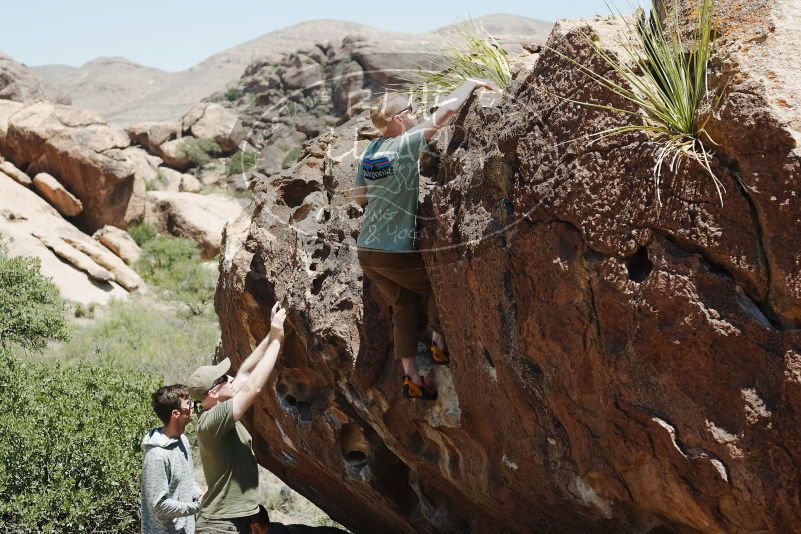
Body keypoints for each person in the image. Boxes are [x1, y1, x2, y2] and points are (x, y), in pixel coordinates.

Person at [353, 79, 497, 401]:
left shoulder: (370, 152)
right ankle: (438, 344)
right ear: (398, 120)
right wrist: (470, 83)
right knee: (434, 286)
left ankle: (412, 379)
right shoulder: (405, 145)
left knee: (403, 303)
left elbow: (359, 199)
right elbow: (446, 111)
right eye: (411, 110)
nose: (417, 113)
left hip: (367, 250)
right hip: (392, 251)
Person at [189, 302, 287, 534]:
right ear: (212, 393)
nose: (231, 377)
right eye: (224, 378)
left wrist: (270, 333)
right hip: (220, 526)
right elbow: (253, 387)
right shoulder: (212, 419)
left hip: (233, 522)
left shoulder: (217, 408)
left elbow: (244, 373)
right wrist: (278, 341)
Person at [141, 384, 204, 534]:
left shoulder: (182, 441)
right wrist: (196, 507)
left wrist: (198, 493)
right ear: (176, 414)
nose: (193, 406)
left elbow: (184, 481)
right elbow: (158, 506)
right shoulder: (157, 455)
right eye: (188, 403)